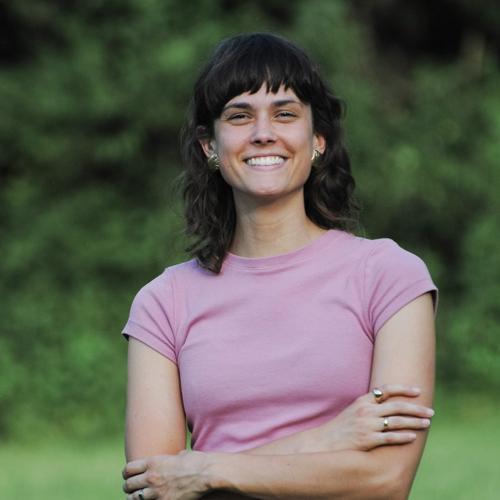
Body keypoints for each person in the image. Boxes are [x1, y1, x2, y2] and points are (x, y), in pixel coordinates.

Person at [121, 32, 437, 499]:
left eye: (285, 114)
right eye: (239, 116)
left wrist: (205, 470)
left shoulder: (389, 276)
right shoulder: (162, 303)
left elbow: (386, 481)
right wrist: (324, 440)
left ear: (318, 140)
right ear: (210, 146)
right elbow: (155, 489)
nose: (263, 132)